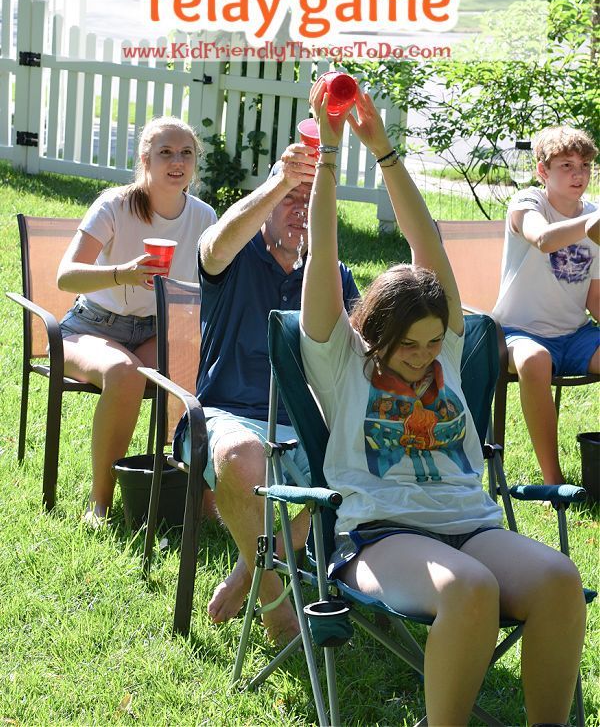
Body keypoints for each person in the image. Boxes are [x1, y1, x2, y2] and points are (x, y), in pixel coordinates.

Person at [299, 82, 586, 727]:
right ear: (374, 334)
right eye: (409, 345)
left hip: (472, 524)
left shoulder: (447, 351)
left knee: (560, 579)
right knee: (470, 589)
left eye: (435, 341)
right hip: (380, 533)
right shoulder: (341, 360)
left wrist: (385, 151)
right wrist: (329, 153)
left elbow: (425, 243)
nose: (426, 355)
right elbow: (325, 253)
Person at [173, 141, 359, 642]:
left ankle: (249, 569)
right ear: (265, 202)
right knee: (241, 455)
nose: (300, 209)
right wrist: (282, 179)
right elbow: (213, 245)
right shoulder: (234, 256)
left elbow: (357, 346)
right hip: (223, 414)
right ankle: (277, 603)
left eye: (310, 199)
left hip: (304, 420)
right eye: (289, 199)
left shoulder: (330, 273)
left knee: (364, 458)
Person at [57, 116, 217, 526]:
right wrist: (122, 273)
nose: (177, 161)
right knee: (125, 374)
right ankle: (100, 503)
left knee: (200, 367)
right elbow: (66, 275)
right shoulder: (115, 204)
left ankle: (193, 497)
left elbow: (214, 285)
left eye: (186, 153)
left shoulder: (203, 216)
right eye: (166, 152)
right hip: (89, 326)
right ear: (145, 159)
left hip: (154, 330)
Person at [492, 127, 599, 484]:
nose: (578, 174)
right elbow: (543, 240)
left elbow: (594, 296)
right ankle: (554, 482)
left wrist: (592, 222)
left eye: (584, 165)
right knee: (535, 361)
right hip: (517, 332)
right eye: (566, 165)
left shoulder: (594, 215)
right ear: (542, 172)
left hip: (576, 334)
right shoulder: (528, 203)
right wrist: (591, 225)